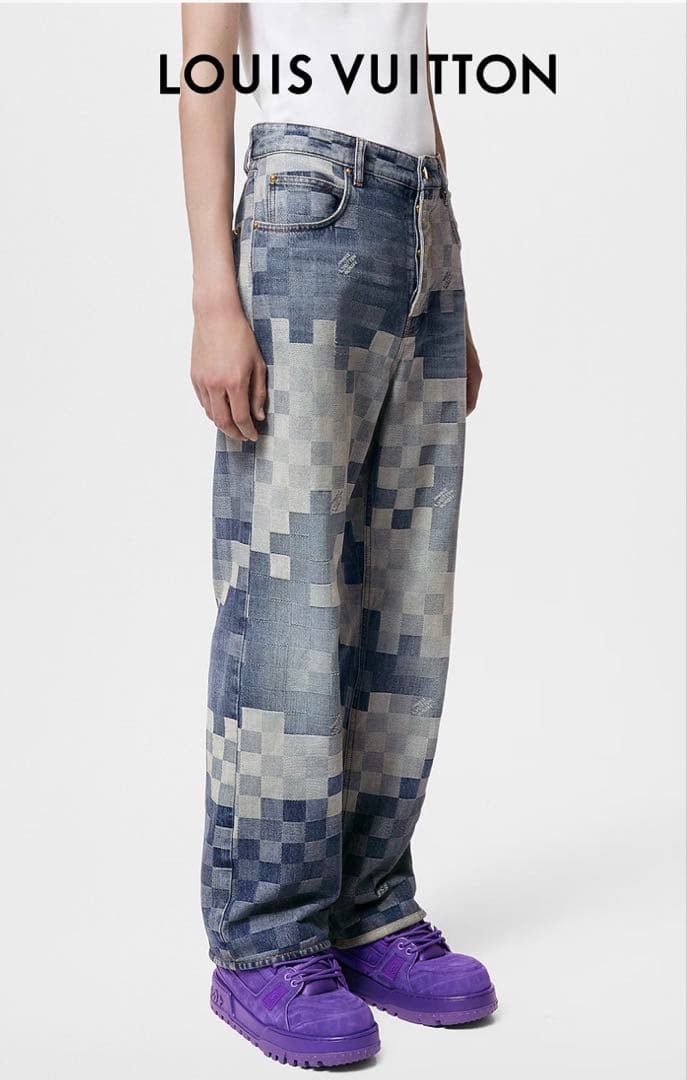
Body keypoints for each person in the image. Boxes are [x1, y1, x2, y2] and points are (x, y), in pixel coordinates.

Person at [180, 2, 495, 1066]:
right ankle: (265, 939)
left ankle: (368, 907)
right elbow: (207, 64)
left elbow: (407, 67)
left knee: (406, 593)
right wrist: (214, 295)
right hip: (304, 206)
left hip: (419, 221)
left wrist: (450, 279)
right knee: (289, 592)